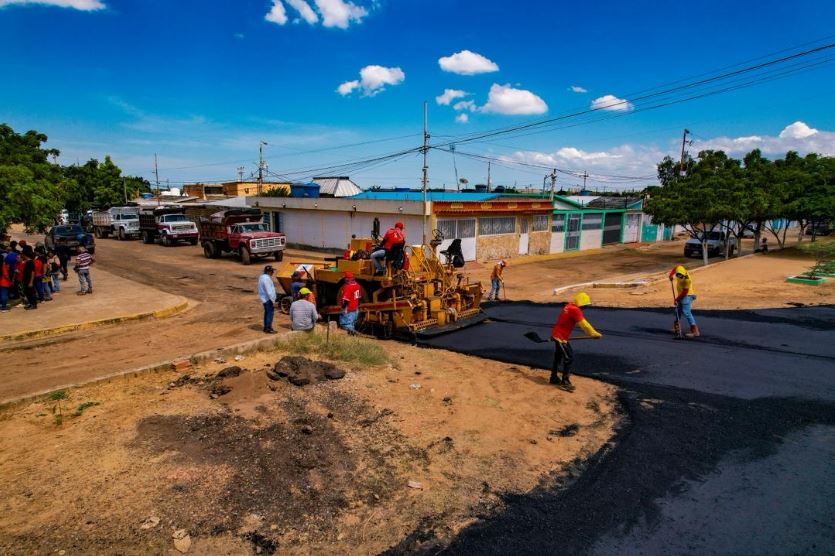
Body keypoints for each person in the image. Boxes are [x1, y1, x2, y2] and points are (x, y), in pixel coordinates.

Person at [549, 292, 603, 390]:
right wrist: (594, 334)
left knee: (558, 357)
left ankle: (553, 378)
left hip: (557, 334)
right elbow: (584, 325)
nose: (585, 307)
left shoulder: (568, 306)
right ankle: (565, 382)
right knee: (569, 358)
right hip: (560, 337)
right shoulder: (575, 310)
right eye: (585, 305)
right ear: (582, 303)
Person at [669, 265, 699, 337]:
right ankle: (677, 327)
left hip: (687, 295)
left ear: (684, 274)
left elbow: (685, 292)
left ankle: (694, 330)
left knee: (686, 312)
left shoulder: (687, 280)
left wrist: (677, 299)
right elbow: (676, 268)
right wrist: (671, 275)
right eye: (678, 275)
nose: (679, 277)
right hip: (681, 295)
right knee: (678, 311)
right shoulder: (680, 269)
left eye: (680, 276)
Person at [258, 265, 277, 334]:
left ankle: (266, 327)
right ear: (269, 271)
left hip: (264, 299)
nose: (273, 272)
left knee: (267, 313)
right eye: (272, 271)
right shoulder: (266, 279)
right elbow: (269, 291)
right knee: (269, 313)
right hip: (268, 299)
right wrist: (273, 300)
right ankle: (268, 328)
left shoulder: (262, 277)